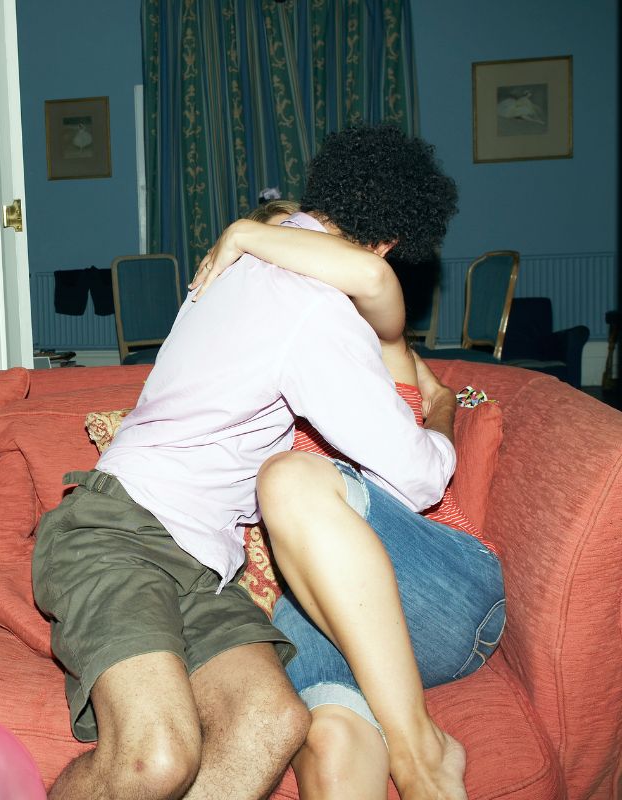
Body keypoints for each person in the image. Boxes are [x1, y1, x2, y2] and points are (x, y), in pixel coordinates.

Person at [194, 194, 505, 797]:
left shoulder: (369, 335)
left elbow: (426, 421)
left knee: (291, 478)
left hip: (441, 589)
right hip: (320, 612)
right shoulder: (233, 366)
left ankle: (421, 752)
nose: (292, 261)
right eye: (277, 247)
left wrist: (441, 407)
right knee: (329, 742)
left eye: (302, 243)